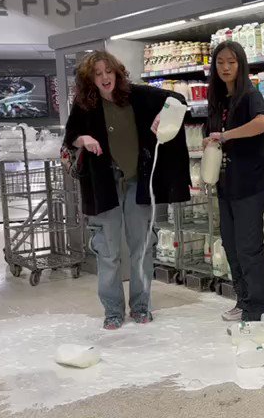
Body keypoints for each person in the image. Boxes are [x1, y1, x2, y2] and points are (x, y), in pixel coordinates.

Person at [63, 51, 191, 330]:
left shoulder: (138, 96)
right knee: (108, 253)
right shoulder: (85, 105)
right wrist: (83, 139)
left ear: (117, 73)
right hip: (103, 186)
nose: (104, 77)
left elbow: (178, 100)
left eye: (108, 71)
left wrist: (164, 116)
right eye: (97, 74)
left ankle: (141, 306)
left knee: (142, 249)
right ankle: (112, 311)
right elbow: (70, 136)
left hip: (138, 184)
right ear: (90, 79)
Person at [205, 41, 264, 322]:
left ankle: (256, 307)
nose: (225, 68)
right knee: (231, 246)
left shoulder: (249, 95)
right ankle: (243, 300)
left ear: (240, 64)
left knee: (248, 246)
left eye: (231, 62)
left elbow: (263, 122)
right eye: (220, 62)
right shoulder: (219, 100)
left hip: (249, 184)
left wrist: (228, 135)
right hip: (226, 183)